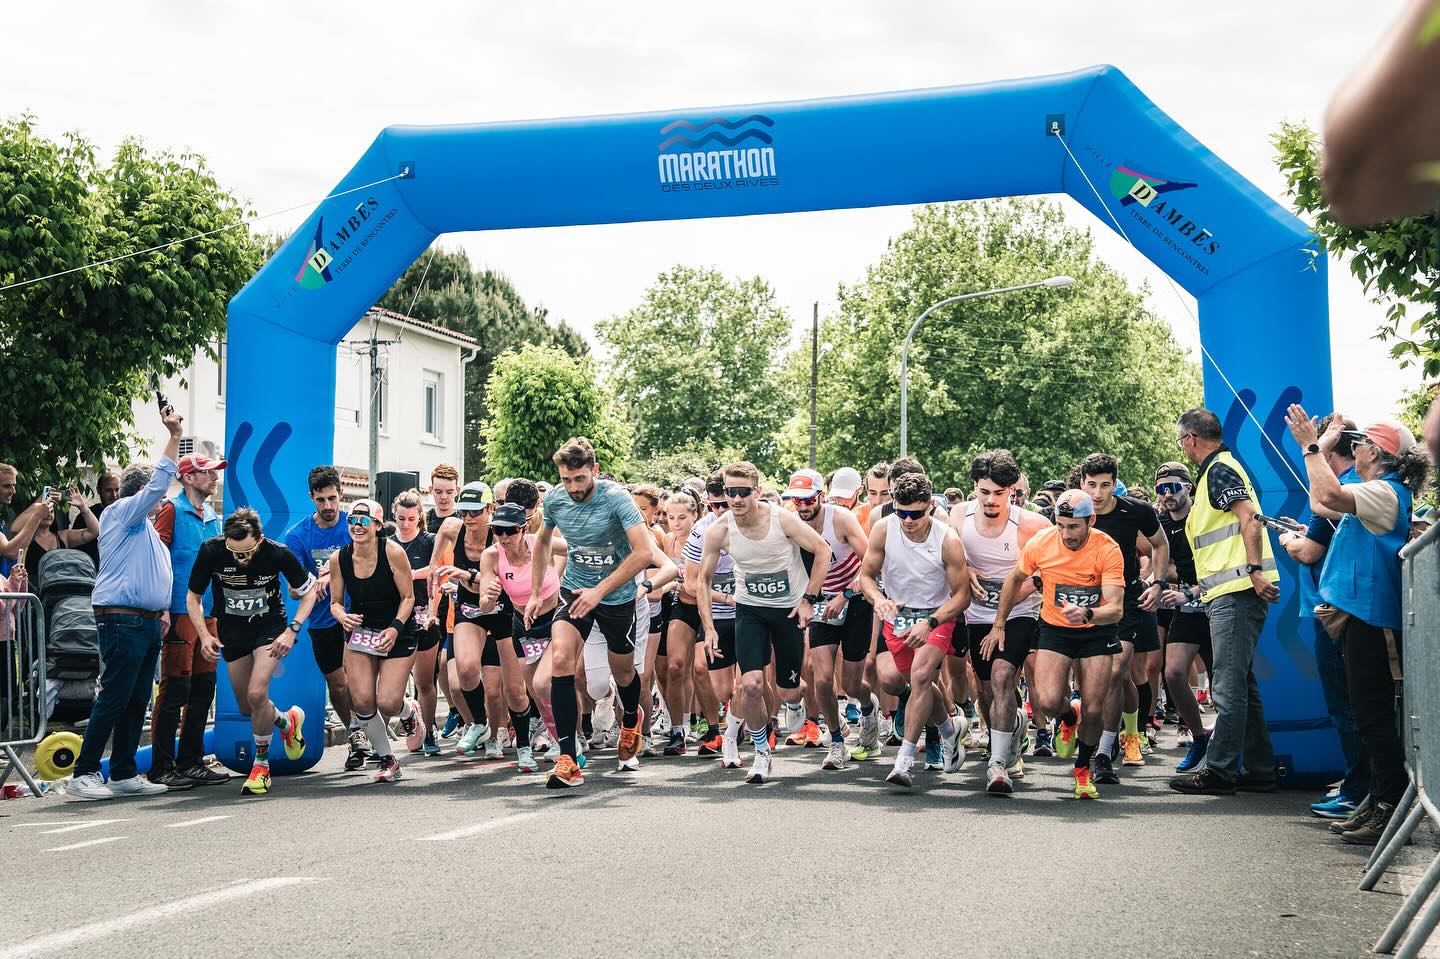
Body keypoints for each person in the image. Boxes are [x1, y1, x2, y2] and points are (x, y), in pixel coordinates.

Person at [1287, 408, 1431, 842]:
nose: (1356, 447)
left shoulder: (1386, 492)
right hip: (1360, 618)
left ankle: (1387, 807)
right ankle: (1376, 799)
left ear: (1377, 451)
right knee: (1365, 716)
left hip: (1373, 620)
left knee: (1372, 718)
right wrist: (1316, 445)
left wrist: (1314, 445)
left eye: (1362, 441)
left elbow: (1328, 497)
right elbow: (1319, 499)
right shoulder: (1372, 488)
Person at [67, 402, 184, 801]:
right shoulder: (121, 512)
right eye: (155, 492)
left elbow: (154, 573)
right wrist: (172, 436)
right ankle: (84, 773)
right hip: (123, 619)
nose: (163, 498)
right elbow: (157, 484)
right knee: (116, 695)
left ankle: (122, 771)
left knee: (136, 699)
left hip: (147, 621)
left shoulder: (146, 528)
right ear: (141, 493)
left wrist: (163, 610)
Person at [530, 437, 655, 788]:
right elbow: (541, 541)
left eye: (580, 479)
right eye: (567, 480)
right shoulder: (555, 498)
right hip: (574, 590)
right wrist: (539, 591)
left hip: (616, 598)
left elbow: (644, 553)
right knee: (561, 661)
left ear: (594, 471)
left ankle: (630, 719)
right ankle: (568, 758)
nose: (573, 488)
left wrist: (600, 591)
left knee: (624, 673)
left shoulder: (616, 498)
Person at [1170, 408, 1280, 796]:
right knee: (1241, 683)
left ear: (1190, 440)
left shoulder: (1218, 471)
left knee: (1228, 686)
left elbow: (1250, 518)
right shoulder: (1216, 471)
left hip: (1237, 592)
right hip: (1229, 592)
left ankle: (1219, 770)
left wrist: (1254, 569)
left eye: (1180, 440)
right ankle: (1261, 768)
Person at [698, 461, 831, 784]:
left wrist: (808, 600)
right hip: (751, 610)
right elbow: (702, 581)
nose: (736, 499)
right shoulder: (720, 529)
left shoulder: (781, 519)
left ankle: (795, 705)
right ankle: (761, 752)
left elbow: (822, 550)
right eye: (731, 492)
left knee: (787, 692)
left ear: (756, 491)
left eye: (744, 492)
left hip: (787, 611)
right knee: (751, 684)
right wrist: (710, 628)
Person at [987, 490, 1125, 800]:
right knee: (1048, 702)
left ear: (1091, 520)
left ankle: (1082, 768)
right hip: (1055, 629)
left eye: (1074, 527)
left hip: (1095, 630)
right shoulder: (1042, 542)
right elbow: (1014, 579)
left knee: (1094, 705)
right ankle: (1067, 716)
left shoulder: (1107, 548)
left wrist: (1088, 612)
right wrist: (999, 624)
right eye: (1061, 525)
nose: (1066, 534)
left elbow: (1115, 608)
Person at [186, 508, 317, 796]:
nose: (239, 559)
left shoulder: (277, 553)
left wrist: (291, 630)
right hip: (232, 632)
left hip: (269, 628)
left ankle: (261, 767)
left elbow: (310, 591)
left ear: (258, 540)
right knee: (248, 707)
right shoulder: (212, 551)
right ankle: (286, 720)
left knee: (257, 694)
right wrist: (204, 635)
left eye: (246, 553)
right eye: (234, 553)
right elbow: (193, 597)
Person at [1275, 421, 1367, 819]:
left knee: (1347, 706)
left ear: (1330, 455)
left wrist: (1287, 541)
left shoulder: (1340, 487)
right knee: (1349, 704)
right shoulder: (1345, 489)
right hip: (1333, 609)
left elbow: (1309, 551)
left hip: (1334, 613)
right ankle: (1357, 783)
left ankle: (1359, 790)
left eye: (1319, 452)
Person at [856, 470, 968, 788]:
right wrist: (878, 599)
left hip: (936, 616)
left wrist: (931, 622)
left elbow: (962, 595)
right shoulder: (883, 529)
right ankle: (949, 730)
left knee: (920, 677)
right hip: (898, 616)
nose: (907, 520)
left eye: (915, 514)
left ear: (930, 506)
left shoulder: (947, 539)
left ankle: (904, 761)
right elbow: (866, 575)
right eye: (901, 512)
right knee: (911, 683)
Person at [953, 450, 1049, 794]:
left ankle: (997, 764)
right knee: (985, 690)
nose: (992, 500)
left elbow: (1050, 569)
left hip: (1018, 614)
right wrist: (966, 568)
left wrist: (1012, 600)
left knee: (1003, 676)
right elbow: (949, 558)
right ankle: (1012, 729)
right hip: (975, 614)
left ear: (1012, 490)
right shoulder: (957, 516)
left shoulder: (1032, 525)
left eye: (1000, 492)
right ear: (974, 488)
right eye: (984, 492)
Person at [1079, 452, 1168, 783]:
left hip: (1127, 599)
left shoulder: (1136, 511)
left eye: (1105, 485)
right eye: (1091, 485)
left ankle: (1106, 751)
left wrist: (1157, 582)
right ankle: (1100, 732)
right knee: (1090, 679)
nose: (1098, 493)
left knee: (1118, 671)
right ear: (1081, 484)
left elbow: (1160, 545)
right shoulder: (1073, 509)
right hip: (1085, 600)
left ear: (1115, 485)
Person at [784, 469, 875, 770]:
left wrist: (845, 595)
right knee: (820, 677)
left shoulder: (841, 519)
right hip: (820, 602)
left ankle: (866, 705)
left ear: (821, 496)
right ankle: (837, 740)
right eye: (797, 500)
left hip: (854, 599)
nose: (804, 506)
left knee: (851, 682)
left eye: (809, 500)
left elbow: (871, 564)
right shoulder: (790, 522)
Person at [148, 453, 228, 789]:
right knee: (175, 687)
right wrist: (163, 606)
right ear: (188, 478)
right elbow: (157, 557)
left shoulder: (213, 516)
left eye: (214, 472)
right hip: (180, 611)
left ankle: (192, 761)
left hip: (208, 613)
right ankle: (161, 766)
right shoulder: (171, 509)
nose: (214, 477)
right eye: (207, 472)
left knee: (203, 689)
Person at [330, 499, 419, 783]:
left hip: (397, 629)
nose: (357, 526)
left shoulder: (392, 552)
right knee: (363, 700)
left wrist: (394, 628)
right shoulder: (339, 559)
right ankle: (388, 758)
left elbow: (408, 597)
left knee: (388, 702)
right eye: (352, 521)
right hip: (362, 632)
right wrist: (342, 616)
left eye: (364, 521)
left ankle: (407, 710)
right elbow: (334, 602)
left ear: (378, 526)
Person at [476, 501, 566, 774]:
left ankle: (569, 739)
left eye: (510, 531)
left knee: (547, 684)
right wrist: (488, 596)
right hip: (523, 625)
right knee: (531, 692)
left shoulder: (542, 542)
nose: (504, 537)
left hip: (556, 620)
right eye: (498, 531)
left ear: (523, 528)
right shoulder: (491, 556)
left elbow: (581, 547)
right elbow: (484, 606)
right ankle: (543, 743)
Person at [284, 466, 362, 767]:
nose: (328, 506)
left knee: (357, 679)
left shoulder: (354, 526)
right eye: (321, 500)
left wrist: (336, 573)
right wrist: (311, 584)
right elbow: (294, 590)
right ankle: (356, 734)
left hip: (356, 612)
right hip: (321, 619)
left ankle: (367, 731)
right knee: (339, 684)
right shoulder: (298, 536)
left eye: (332, 498)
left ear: (341, 494)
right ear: (311, 498)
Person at [431, 482, 507, 757]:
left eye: (475, 512)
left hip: (498, 610)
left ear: (490, 510)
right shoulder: (454, 527)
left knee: (497, 690)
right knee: (464, 671)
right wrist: (432, 570)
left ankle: (496, 735)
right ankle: (478, 722)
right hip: (468, 610)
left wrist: (464, 575)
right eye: (463, 512)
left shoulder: (500, 537)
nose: (468, 518)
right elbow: (441, 536)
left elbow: (490, 587)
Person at [1152, 462, 1216, 776]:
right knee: (1174, 673)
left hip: (1217, 602)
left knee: (1223, 687)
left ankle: (1230, 746)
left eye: (1173, 487)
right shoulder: (1160, 523)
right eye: (1161, 488)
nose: (1167, 494)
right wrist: (1162, 582)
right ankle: (1199, 738)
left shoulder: (1204, 514)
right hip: (1188, 608)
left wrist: (1189, 590)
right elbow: (1162, 563)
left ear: (1188, 488)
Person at [393, 489, 441, 756]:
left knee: (424, 681)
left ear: (420, 517)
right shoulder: (387, 543)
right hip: (398, 619)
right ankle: (412, 723)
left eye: (411, 519)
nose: (406, 524)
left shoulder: (429, 541)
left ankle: (430, 731)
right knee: (394, 685)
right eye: (401, 518)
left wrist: (408, 574)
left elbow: (436, 571)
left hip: (425, 617)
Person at [71, 472, 119, 568]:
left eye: (117, 490)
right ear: (98, 490)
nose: (114, 495)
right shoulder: (84, 518)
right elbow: (75, 552)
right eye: (108, 490)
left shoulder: (127, 515)